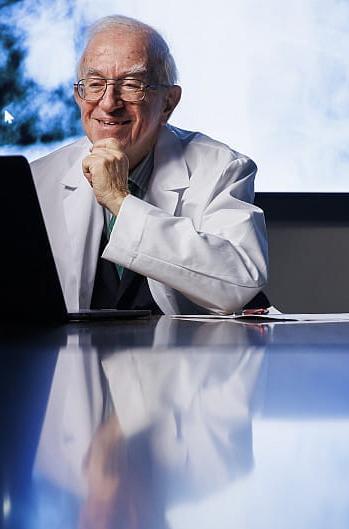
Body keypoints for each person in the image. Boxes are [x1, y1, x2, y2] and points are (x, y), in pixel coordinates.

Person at [31, 15, 270, 315]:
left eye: (131, 85)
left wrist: (119, 199)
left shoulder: (222, 168)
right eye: (94, 84)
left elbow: (240, 284)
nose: (108, 103)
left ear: (168, 103)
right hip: (74, 359)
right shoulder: (38, 179)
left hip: (184, 358)